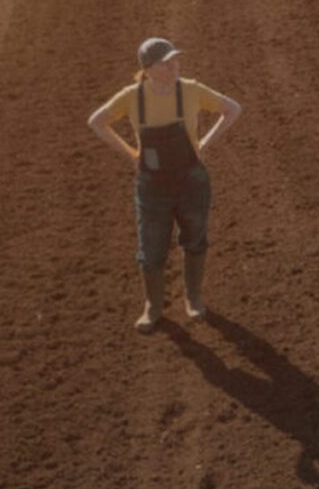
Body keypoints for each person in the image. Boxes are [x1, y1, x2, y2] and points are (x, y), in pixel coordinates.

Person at [87, 37, 242, 333]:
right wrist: (131, 155)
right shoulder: (132, 96)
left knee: (195, 237)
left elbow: (233, 109)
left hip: (191, 180)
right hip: (152, 185)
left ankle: (193, 298)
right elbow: (96, 121)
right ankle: (153, 306)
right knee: (151, 247)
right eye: (166, 63)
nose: (174, 67)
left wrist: (203, 144)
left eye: (175, 61)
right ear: (148, 69)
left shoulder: (191, 90)